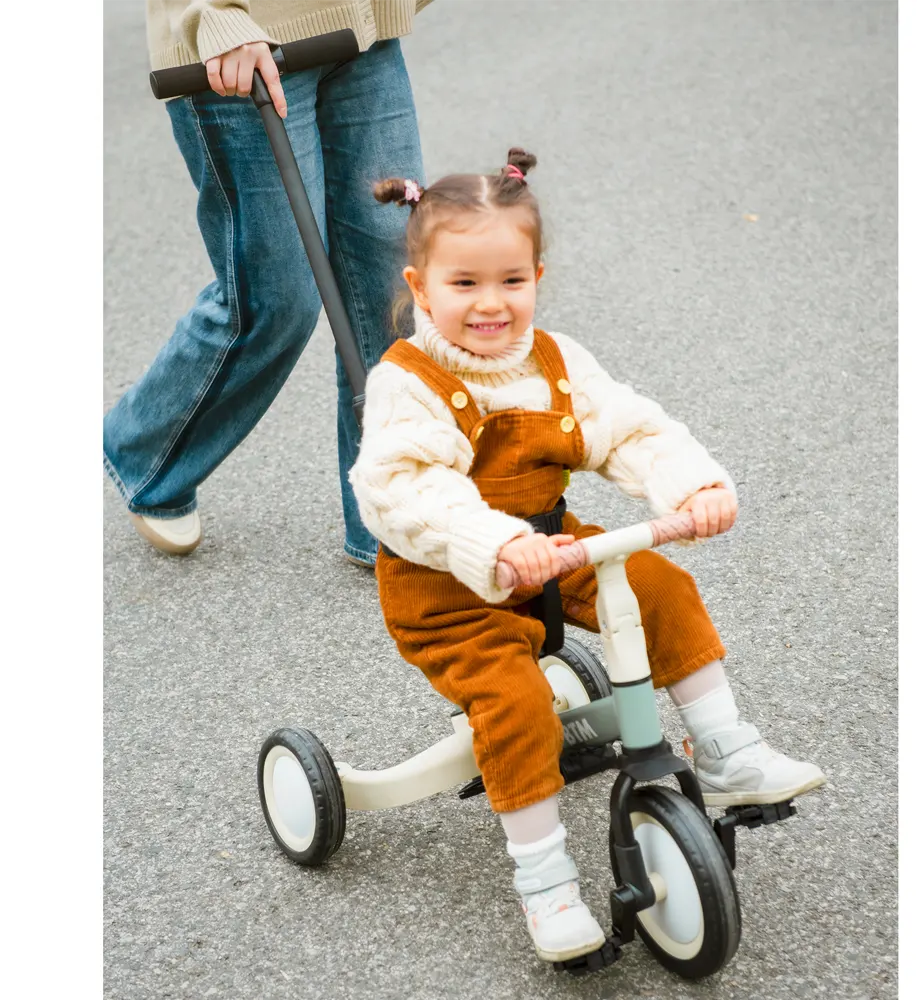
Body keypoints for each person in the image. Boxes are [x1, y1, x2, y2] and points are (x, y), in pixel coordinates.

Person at [349, 149, 827, 964]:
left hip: (556, 546)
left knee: (656, 584)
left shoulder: (556, 360)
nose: (491, 303)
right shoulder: (409, 383)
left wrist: (692, 486)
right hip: (447, 588)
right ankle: (545, 882)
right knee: (515, 704)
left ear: (537, 276)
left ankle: (725, 749)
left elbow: (630, 429)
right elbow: (403, 489)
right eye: (464, 283)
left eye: (511, 280)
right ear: (420, 287)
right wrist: (497, 542)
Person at [104, 2, 432, 564]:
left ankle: (385, 520)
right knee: (276, 298)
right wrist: (212, 14)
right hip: (241, 45)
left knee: (392, 285)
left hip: (362, 28)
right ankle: (145, 450)